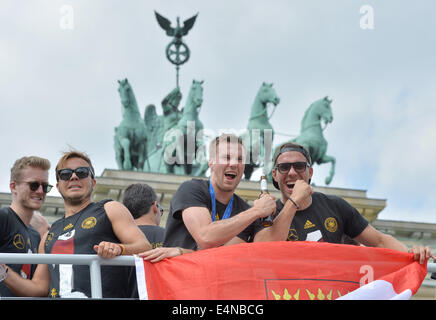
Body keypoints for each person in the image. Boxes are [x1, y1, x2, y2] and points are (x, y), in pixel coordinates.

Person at [1, 150, 151, 298]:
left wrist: (119, 249)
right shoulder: (48, 236)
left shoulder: (110, 209)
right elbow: (38, 289)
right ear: (58, 185)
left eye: (82, 172)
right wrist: (2, 271)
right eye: (65, 174)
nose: (73, 177)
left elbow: (144, 247)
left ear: (93, 182)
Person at [270, 141, 434, 263]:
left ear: (310, 172)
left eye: (299, 166)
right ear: (275, 175)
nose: (291, 172)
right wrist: (294, 202)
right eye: (284, 167)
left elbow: (379, 240)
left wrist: (411, 253)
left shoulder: (334, 206)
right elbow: (266, 247)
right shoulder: (269, 213)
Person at [162, 133, 313, 253]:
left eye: (240, 159)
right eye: (227, 157)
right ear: (211, 162)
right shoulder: (191, 189)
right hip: (178, 286)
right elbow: (205, 237)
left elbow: (265, 248)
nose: (234, 163)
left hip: (212, 288)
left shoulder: (244, 210)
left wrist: (293, 203)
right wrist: (256, 211)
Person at [0, 156, 52, 297]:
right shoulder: (3, 217)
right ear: (13, 187)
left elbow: (38, 288)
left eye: (45, 186)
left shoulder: (35, 235)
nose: (40, 191)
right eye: (33, 185)